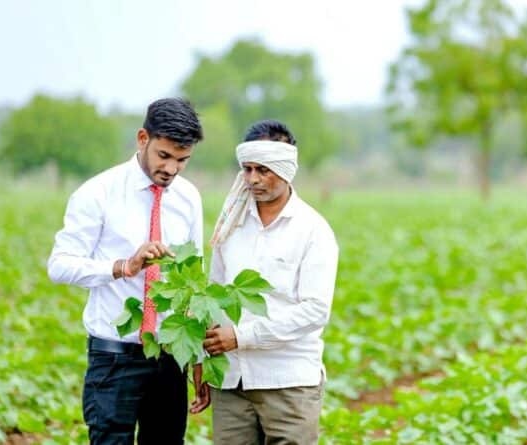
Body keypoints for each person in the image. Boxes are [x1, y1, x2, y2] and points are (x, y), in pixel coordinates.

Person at [47, 98, 210, 444]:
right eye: (164, 156)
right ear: (142, 139)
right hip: (114, 356)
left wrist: (196, 356)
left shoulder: (188, 198)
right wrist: (124, 266)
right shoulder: (98, 193)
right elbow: (59, 265)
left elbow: (193, 277)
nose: (172, 169)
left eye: (183, 160)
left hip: (169, 356)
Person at [203, 119, 338, 444]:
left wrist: (242, 336)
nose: (253, 179)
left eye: (263, 170)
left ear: (287, 168)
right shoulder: (230, 224)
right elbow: (214, 295)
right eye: (247, 169)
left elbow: (315, 311)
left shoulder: (312, 230)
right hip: (232, 382)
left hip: (288, 382)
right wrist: (202, 359)